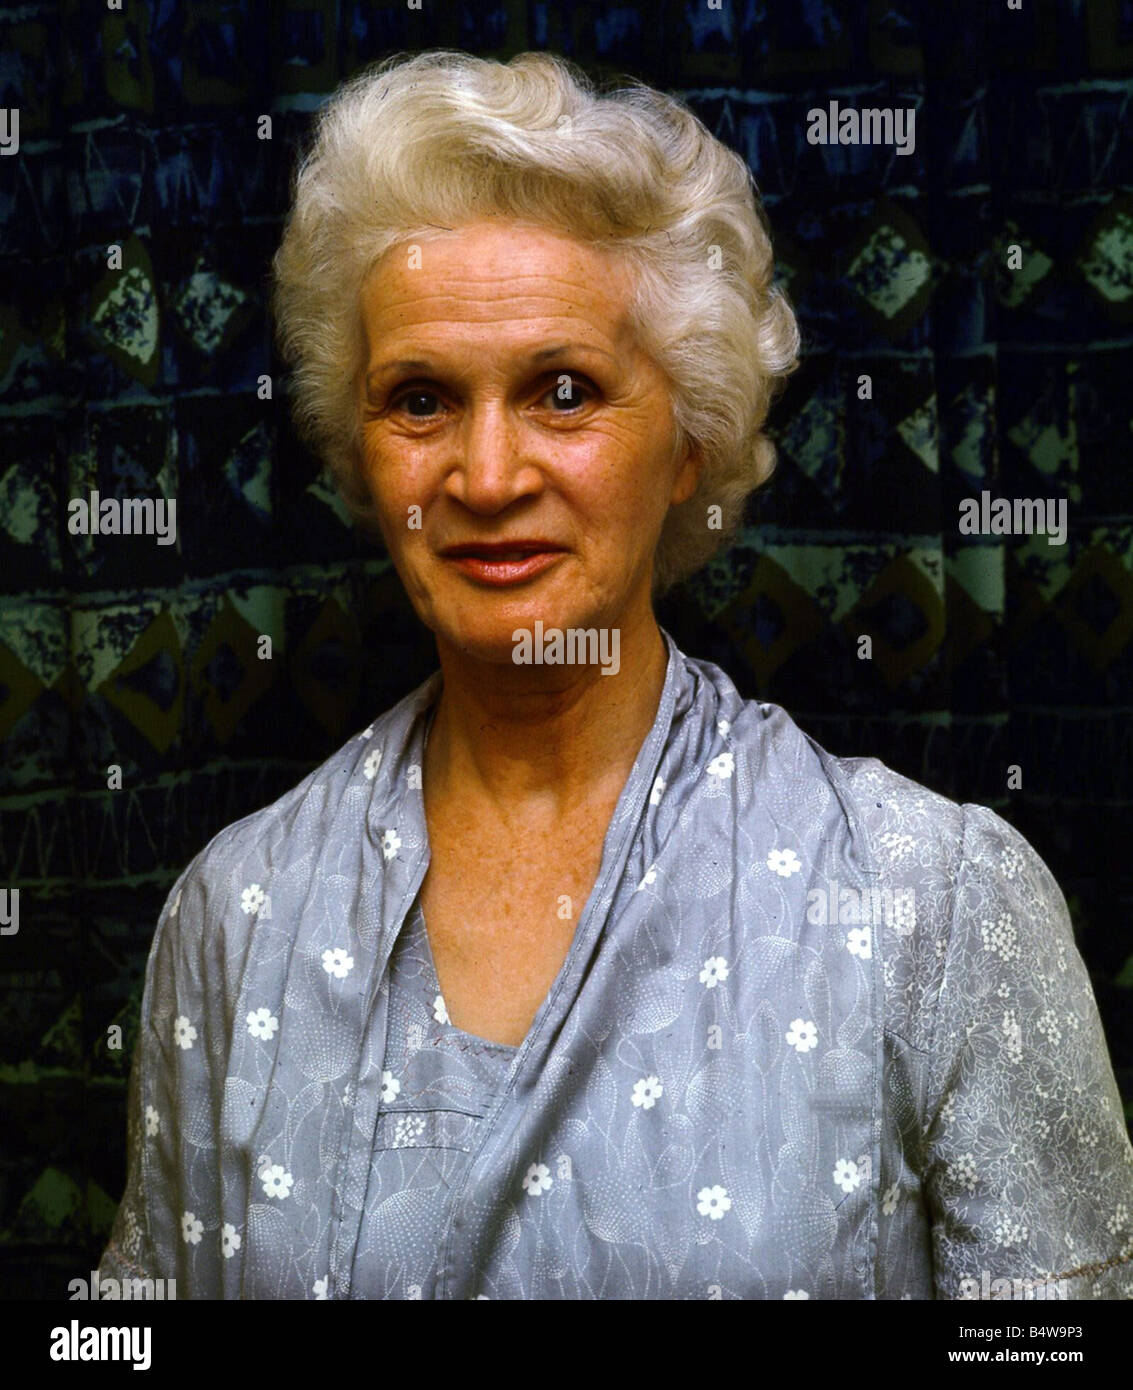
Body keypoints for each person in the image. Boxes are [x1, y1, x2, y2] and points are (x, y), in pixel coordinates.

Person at [98, 48, 1133, 1300]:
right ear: (359, 451)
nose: (485, 478)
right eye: (419, 400)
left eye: (564, 391)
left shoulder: (933, 904)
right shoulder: (236, 912)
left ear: (690, 436)